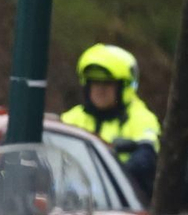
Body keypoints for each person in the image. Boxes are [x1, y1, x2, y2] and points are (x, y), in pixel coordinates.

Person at [60, 43, 161, 197]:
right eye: (94, 82)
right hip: (71, 202)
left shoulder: (142, 118)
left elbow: (146, 157)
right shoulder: (71, 118)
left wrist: (112, 175)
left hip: (123, 201)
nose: (99, 89)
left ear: (124, 86)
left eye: (107, 83)